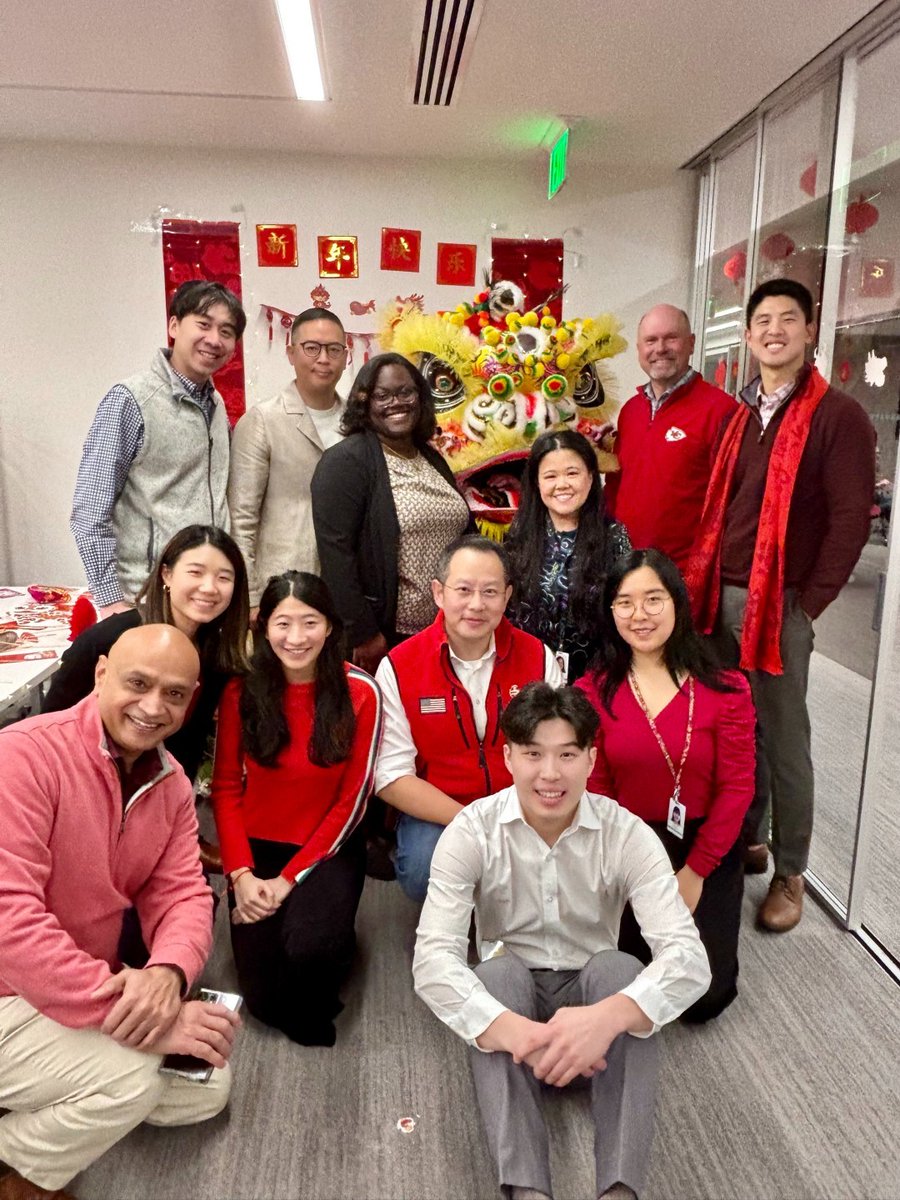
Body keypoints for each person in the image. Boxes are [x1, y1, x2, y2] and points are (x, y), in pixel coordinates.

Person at [413, 682, 711, 1200]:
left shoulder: (627, 832)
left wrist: (608, 1017)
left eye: (567, 755)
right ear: (507, 757)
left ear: (591, 759)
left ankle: (619, 1190)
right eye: (533, 754)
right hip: (515, 1023)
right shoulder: (472, 830)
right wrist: (514, 1032)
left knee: (621, 970)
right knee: (494, 977)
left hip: (595, 1024)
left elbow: (690, 959)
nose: (550, 774)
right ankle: (528, 1191)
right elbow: (432, 961)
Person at [0, 626, 241, 1200]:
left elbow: (183, 891)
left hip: (69, 987)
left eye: (175, 694)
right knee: (133, 1077)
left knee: (208, 1083)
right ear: (101, 672)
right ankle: (23, 1169)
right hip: (9, 992)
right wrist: (120, 1005)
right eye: (138, 683)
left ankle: (61, 1096)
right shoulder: (23, 756)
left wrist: (167, 975)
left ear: (193, 698)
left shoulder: (172, 783)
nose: (154, 707)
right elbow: (10, 920)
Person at [686, 278, 876, 932]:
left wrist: (809, 604)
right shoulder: (741, 414)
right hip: (718, 597)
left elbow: (852, 517)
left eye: (787, 319)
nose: (773, 330)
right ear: (746, 335)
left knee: (785, 736)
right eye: (762, 319)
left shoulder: (837, 415)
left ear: (808, 330)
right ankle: (751, 834)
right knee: (735, 727)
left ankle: (791, 871)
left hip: (779, 604)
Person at [575, 549, 754, 1022]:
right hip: (630, 844)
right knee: (624, 977)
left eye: (653, 599)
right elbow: (597, 791)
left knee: (704, 998)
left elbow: (737, 789)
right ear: (610, 612)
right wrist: (628, 870)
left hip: (705, 845)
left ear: (677, 602)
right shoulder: (593, 691)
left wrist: (695, 872)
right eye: (625, 602)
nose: (640, 615)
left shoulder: (727, 687)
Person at [211, 572, 382, 1047]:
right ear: (263, 627)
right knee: (264, 998)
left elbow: (354, 800)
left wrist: (288, 881)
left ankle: (339, 936)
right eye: (283, 623)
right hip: (257, 848)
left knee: (311, 959)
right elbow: (224, 789)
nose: (296, 637)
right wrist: (241, 878)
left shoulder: (361, 691)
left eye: (310, 622)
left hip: (327, 848)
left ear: (329, 627)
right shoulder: (240, 692)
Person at [43, 525, 250, 871]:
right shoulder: (112, 638)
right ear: (166, 574)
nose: (209, 588)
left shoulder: (215, 653)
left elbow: (186, 744)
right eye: (196, 572)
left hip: (157, 800)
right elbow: (50, 727)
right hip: (81, 796)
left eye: (224, 578)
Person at [375, 535, 563, 902]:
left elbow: (557, 748)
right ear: (438, 593)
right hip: (441, 809)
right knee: (422, 868)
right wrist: (474, 824)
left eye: (490, 592)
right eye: (463, 589)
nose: (476, 605)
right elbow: (391, 776)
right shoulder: (399, 666)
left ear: (507, 596)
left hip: (524, 803)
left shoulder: (537, 657)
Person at [71, 280, 246, 616]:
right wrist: (110, 600)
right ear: (174, 325)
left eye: (226, 331)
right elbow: (89, 512)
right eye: (204, 324)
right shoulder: (131, 399)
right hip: (145, 597)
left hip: (203, 599)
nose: (214, 339)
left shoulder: (217, 404)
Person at [311, 352, 472, 675]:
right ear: (364, 402)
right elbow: (335, 554)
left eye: (405, 392)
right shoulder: (346, 461)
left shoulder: (430, 457)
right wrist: (364, 633)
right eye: (382, 395)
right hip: (383, 638)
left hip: (440, 632)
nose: (395, 403)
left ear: (420, 396)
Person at [228, 308, 348, 615]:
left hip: (341, 587)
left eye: (334, 349)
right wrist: (251, 597)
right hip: (280, 584)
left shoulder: (358, 423)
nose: (324, 358)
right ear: (291, 353)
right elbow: (242, 518)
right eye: (312, 348)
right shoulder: (263, 420)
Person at [604, 304, 735, 571]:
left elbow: (731, 504)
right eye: (650, 340)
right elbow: (616, 486)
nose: (660, 348)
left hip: (681, 575)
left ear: (691, 344)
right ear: (639, 349)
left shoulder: (722, 410)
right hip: (624, 567)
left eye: (671, 338)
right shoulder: (630, 411)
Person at [506, 429, 631, 682]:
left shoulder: (614, 536)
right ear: (537, 483)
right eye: (550, 476)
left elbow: (625, 612)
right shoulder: (520, 535)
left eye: (572, 473)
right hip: (529, 675)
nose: (562, 484)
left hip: (596, 680)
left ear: (590, 477)